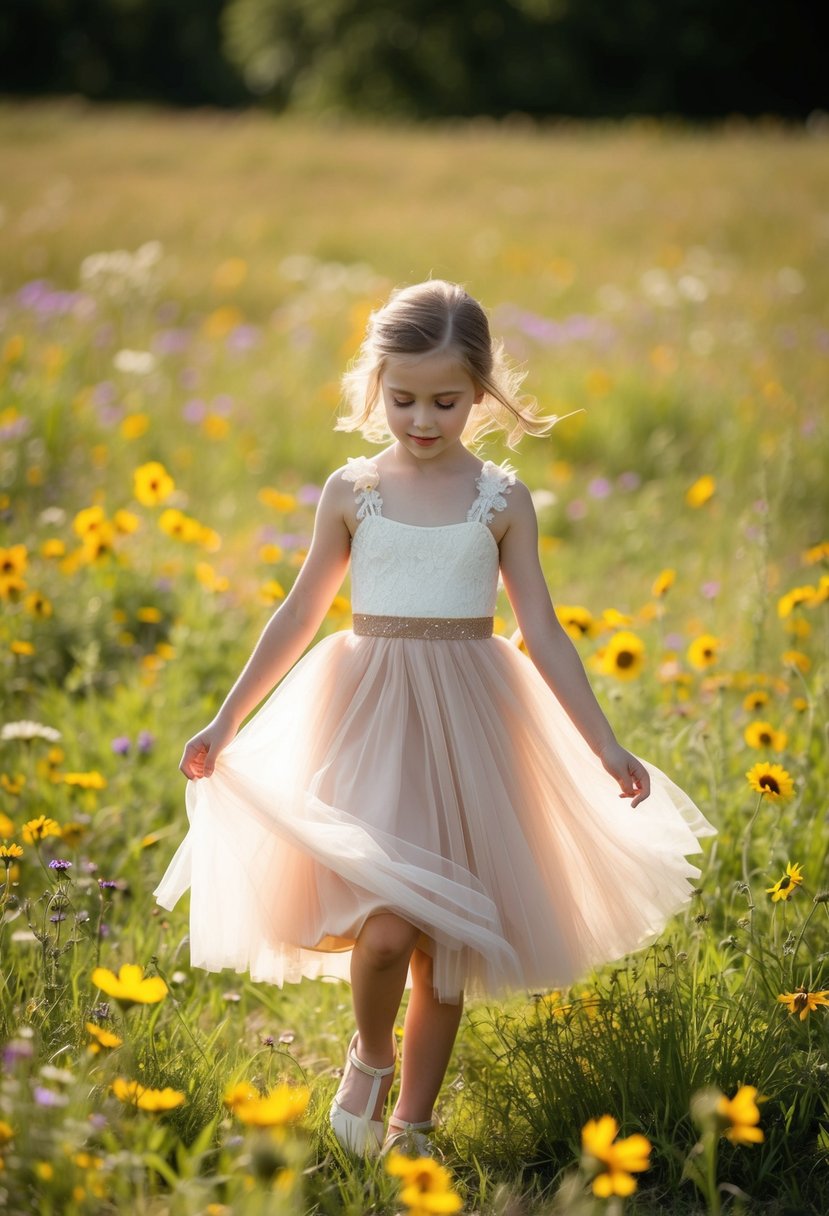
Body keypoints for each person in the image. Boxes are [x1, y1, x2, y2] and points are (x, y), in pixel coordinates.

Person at [154, 280, 715, 1160]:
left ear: (481, 392)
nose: (421, 419)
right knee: (383, 934)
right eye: (402, 398)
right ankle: (370, 1059)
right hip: (369, 719)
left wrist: (603, 743)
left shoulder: (500, 499)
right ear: (375, 385)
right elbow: (300, 613)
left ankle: (412, 1126)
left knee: (444, 949)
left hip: (472, 730)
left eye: (444, 401)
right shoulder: (352, 489)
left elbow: (544, 631)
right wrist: (224, 723)